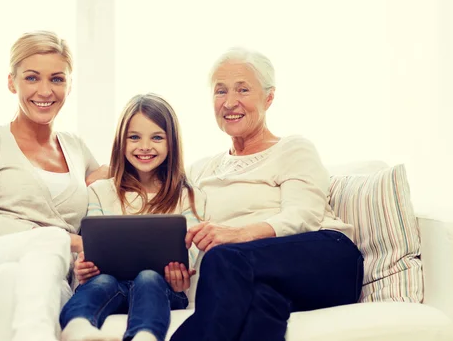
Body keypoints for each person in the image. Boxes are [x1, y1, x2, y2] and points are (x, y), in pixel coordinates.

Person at [169, 48, 363, 341]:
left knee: (222, 259)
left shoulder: (293, 148)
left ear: (269, 98)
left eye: (243, 89)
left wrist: (237, 234)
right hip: (256, 276)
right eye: (220, 91)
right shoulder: (200, 169)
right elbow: (189, 229)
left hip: (326, 260)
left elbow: (303, 216)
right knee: (259, 306)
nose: (230, 102)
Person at [0, 30, 108, 341]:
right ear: (12, 82)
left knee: (12, 281)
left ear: (69, 84)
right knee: (49, 241)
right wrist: (71, 241)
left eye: (57, 79)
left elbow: (119, 183)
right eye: (31, 78)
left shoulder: (76, 148)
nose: (45, 90)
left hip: (46, 280)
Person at [59, 94, 206, 341]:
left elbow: (188, 254)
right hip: (108, 282)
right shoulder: (100, 191)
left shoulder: (188, 196)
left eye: (157, 137)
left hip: (163, 289)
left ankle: (145, 336)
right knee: (101, 281)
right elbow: (92, 245)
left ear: (172, 144)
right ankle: (78, 328)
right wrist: (83, 267)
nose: (145, 146)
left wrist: (180, 275)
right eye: (134, 137)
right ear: (121, 142)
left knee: (148, 277)